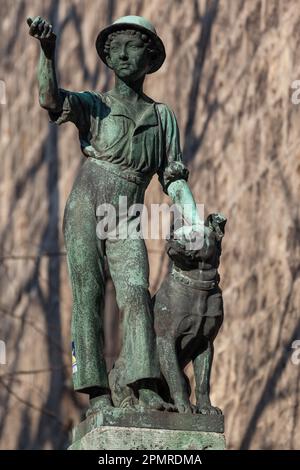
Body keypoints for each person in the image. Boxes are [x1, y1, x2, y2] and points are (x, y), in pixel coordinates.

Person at [27, 14, 203, 414]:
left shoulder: (162, 117)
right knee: (88, 294)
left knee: (136, 292)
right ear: (107, 57)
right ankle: (96, 392)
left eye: (134, 46)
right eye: (116, 48)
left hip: (126, 212)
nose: (123, 54)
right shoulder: (96, 105)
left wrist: (193, 219)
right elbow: (50, 99)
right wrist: (47, 53)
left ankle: (144, 387)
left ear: (151, 56)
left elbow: (173, 180)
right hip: (87, 203)